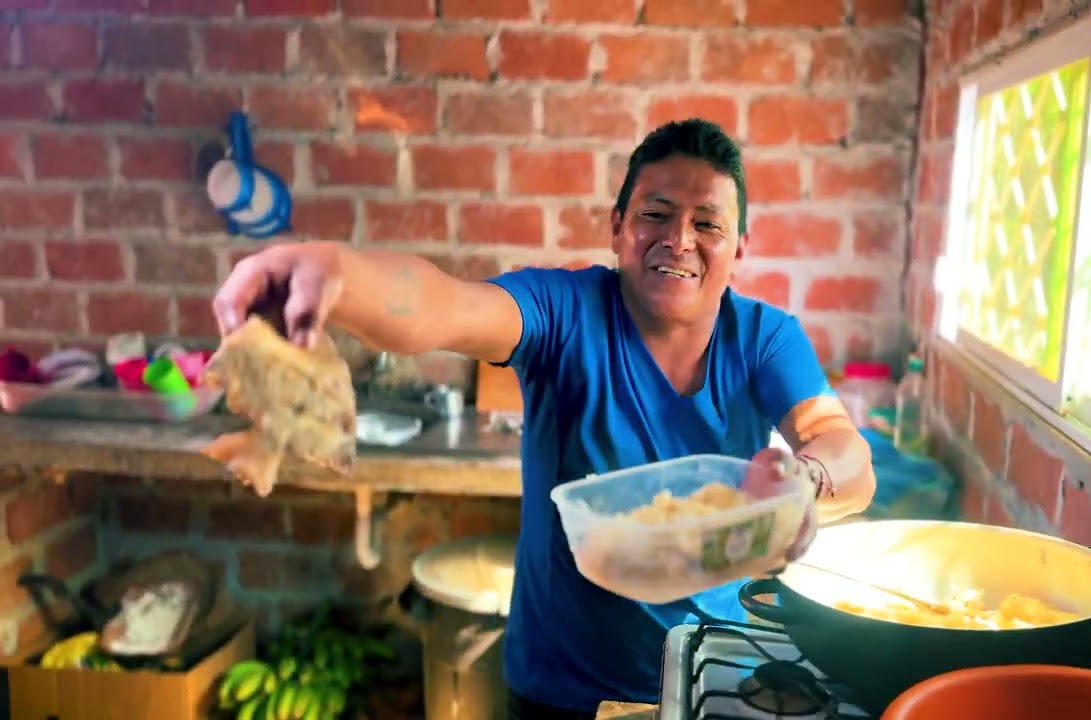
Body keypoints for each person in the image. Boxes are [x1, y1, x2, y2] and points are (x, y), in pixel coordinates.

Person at [212, 118, 876, 718]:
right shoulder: (565, 312)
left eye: (707, 222)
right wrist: (338, 272)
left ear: (739, 246)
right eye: (657, 213)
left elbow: (843, 450)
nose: (680, 239)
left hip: (713, 676)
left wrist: (806, 480)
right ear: (617, 226)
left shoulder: (763, 338)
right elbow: (442, 306)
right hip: (562, 691)